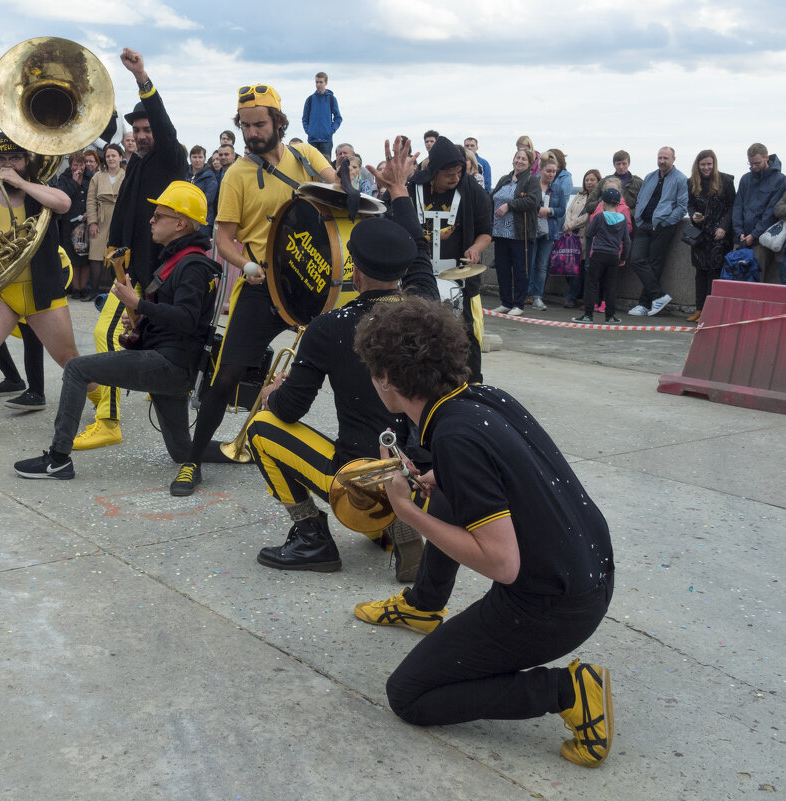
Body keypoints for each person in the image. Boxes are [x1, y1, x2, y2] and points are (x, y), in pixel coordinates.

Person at [351, 295, 616, 769]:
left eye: (373, 372)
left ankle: (568, 692)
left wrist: (408, 513)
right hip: (589, 573)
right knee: (445, 499)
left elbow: (502, 564)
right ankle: (423, 605)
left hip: (550, 608)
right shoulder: (483, 399)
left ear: (386, 380)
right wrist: (439, 482)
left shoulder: (454, 437)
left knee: (408, 695)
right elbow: (504, 479)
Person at [173, 82, 339, 496]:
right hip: (263, 284)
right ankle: (192, 460)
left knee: (346, 369)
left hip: (314, 284)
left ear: (278, 122)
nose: (252, 133)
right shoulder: (236, 175)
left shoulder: (306, 155)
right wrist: (243, 263)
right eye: (245, 126)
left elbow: (339, 192)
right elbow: (224, 238)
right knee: (226, 374)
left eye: (259, 124)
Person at [245, 210, 427, 579]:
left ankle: (312, 539)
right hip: (424, 478)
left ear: (354, 271)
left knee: (261, 428)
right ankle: (393, 524)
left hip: (359, 478)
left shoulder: (330, 326)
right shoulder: (429, 317)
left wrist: (273, 394)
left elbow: (291, 409)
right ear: (404, 272)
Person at [13, 181, 219, 480]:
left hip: (169, 364)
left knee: (76, 369)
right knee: (183, 451)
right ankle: (245, 449)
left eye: (158, 215)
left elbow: (187, 320)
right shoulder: (179, 262)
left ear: (180, 223)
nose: (151, 219)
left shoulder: (193, 266)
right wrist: (140, 323)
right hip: (172, 363)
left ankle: (57, 460)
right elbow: (181, 321)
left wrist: (139, 304)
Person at [81, 48, 186, 450]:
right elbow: (125, 215)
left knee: (104, 335)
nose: (142, 135)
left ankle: (108, 420)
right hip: (131, 271)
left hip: (153, 274)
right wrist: (113, 255)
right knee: (134, 341)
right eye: (136, 130)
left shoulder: (170, 156)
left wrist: (142, 76)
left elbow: (162, 123)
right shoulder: (137, 162)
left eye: (148, 129)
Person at [0, 131, 78, 439]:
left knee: (69, 360)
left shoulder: (41, 191)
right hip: (0, 292)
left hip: (41, 289)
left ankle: (105, 411)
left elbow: (64, 203)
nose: (6, 165)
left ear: (26, 160)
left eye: (14, 158)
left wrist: (22, 184)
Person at [408, 135, 493, 382]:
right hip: (418, 277)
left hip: (459, 281)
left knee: (465, 338)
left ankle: (471, 384)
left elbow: (485, 232)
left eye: (459, 172)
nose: (456, 178)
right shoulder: (412, 189)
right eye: (449, 174)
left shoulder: (472, 191)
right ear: (434, 171)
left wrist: (476, 249)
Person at [628, 146, 687, 317]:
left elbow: (682, 207)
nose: (662, 161)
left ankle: (644, 304)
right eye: (660, 158)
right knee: (636, 259)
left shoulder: (680, 179)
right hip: (644, 224)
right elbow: (641, 199)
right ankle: (659, 296)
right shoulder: (650, 176)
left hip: (663, 225)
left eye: (665, 158)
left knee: (655, 264)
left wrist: (667, 222)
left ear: (673, 159)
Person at [488, 149, 541, 316]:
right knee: (502, 269)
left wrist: (509, 206)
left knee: (520, 269)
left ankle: (519, 303)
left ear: (530, 163)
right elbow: (492, 198)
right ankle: (505, 302)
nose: (520, 161)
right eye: (518, 157)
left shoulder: (531, 180)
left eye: (524, 159)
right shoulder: (504, 179)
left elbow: (533, 201)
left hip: (519, 233)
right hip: (500, 232)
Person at [686, 151, 735, 321]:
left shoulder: (726, 181)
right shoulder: (691, 182)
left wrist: (723, 227)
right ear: (697, 165)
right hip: (700, 233)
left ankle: (709, 311)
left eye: (709, 164)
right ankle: (699, 309)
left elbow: (731, 207)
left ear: (714, 164)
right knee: (700, 271)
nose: (706, 167)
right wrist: (693, 215)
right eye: (703, 164)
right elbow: (690, 204)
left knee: (714, 272)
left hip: (719, 233)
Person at [573, 187, 630, 324]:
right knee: (610, 286)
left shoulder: (599, 217)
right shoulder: (622, 219)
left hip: (598, 254)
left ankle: (588, 315)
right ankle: (610, 316)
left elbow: (590, 233)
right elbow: (627, 241)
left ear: (603, 203)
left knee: (591, 283)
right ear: (618, 204)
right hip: (613, 256)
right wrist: (623, 258)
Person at [732, 143, 784, 284]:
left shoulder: (780, 179)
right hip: (741, 237)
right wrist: (739, 231)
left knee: (755, 278)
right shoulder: (745, 179)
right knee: (737, 277)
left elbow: (770, 212)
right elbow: (738, 206)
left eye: (757, 163)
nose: (753, 167)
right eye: (750, 163)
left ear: (766, 158)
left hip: (761, 239)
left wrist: (754, 234)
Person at [85, 143, 125, 302]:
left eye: (114, 155)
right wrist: (92, 222)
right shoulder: (97, 177)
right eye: (108, 156)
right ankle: (94, 290)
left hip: (119, 217)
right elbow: (90, 201)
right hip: (101, 218)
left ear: (120, 157)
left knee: (117, 253)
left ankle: (117, 292)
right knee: (95, 253)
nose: (111, 158)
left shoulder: (127, 175)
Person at [527, 153, 567, 311]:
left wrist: (548, 210)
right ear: (541, 170)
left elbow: (562, 210)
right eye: (548, 171)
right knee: (529, 263)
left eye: (554, 172)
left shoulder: (557, 188)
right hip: (531, 228)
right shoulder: (532, 184)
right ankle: (526, 293)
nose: (551, 174)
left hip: (548, 231)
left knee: (542, 266)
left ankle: (538, 297)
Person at [51, 150, 93, 298]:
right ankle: (75, 289)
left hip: (86, 222)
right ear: (71, 165)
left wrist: (90, 212)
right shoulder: (64, 177)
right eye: (76, 165)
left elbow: (94, 197)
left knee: (85, 258)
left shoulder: (91, 177)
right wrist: (74, 182)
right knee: (73, 258)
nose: (79, 168)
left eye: (81, 164)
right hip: (69, 223)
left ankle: (84, 288)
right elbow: (62, 196)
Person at [561, 168, 601, 309]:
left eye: (592, 180)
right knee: (570, 269)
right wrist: (567, 224)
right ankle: (573, 297)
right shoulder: (579, 195)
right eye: (587, 180)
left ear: (598, 181)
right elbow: (569, 210)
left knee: (584, 270)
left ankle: (578, 298)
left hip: (587, 236)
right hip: (573, 237)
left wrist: (571, 224)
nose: (589, 183)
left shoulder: (598, 198)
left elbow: (588, 216)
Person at [585, 150, 642, 215]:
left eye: (624, 163)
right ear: (614, 164)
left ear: (628, 163)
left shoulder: (638, 183)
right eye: (618, 164)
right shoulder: (604, 182)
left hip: (630, 222)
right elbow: (588, 206)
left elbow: (643, 208)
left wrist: (624, 213)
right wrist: (603, 201)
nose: (621, 167)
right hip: (607, 222)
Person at [301, 72, 342, 159]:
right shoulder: (310, 100)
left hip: (326, 140)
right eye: (317, 82)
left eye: (321, 82)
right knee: (312, 167)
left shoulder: (331, 99)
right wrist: (309, 131)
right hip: (312, 139)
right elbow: (305, 118)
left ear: (326, 83)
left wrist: (331, 130)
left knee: (326, 166)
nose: (318, 84)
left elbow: (338, 118)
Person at [188, 145, 218, 236]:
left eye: (200, 157)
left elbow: (208, 199)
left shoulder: (210, 176)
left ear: (205, 159)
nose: (197, 160)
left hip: (203, 222)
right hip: (187, 220)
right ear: (190, 158)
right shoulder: (185, 174)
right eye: (194, 157)